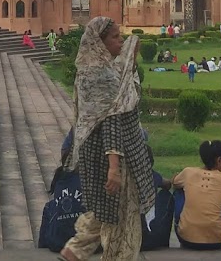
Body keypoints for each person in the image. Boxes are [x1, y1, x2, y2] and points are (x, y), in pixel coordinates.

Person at [60, 17, 156, 261]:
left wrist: (131, 60)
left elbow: (122, 89)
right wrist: (114, 168)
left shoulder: (91, 69)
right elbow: (111, 119)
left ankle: (74, 251)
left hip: (99, 153)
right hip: (115, 157)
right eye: (115, 37)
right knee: (122, 221)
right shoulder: (100, 75)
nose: (120, 41)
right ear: (99, 43)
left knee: (105, 211)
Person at [172, 139, 221, 250]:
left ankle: (186, 225)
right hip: (217, 240)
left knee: (179, 191)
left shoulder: (188, 172)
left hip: (185, 238)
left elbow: (174, 182)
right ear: (219, 160)